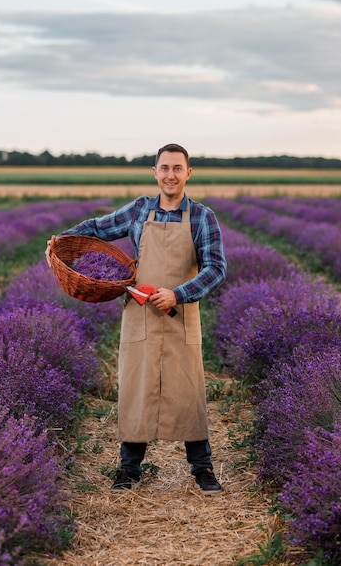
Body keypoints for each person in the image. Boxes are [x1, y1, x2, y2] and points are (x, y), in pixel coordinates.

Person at [47, 144, 227, 493]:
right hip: (141, 313)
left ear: (188, 174)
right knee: (137, 388)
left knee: (188, 389)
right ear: (155, 172)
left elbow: (216, 269)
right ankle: (128, 469)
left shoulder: (203, 217)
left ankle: (202, 468)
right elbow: (97, 229)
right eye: (165, 168)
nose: (171, 175)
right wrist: (61, 241)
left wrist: (178, 293)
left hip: (180, 314)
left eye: (178, 168)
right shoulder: (140, 209)